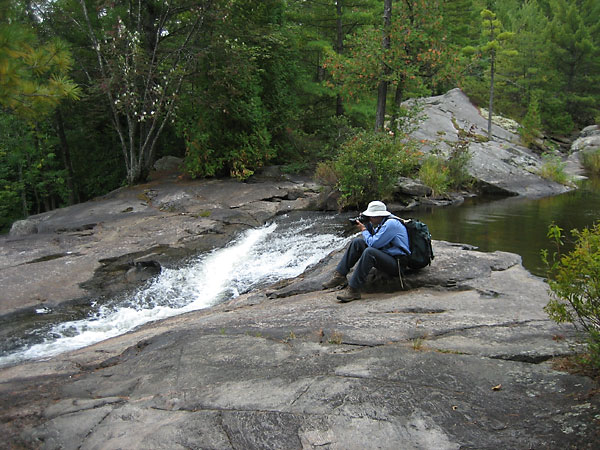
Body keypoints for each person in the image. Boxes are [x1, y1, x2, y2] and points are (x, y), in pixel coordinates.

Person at [323, 200, 411, 303]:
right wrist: (368, 225)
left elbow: (374, 244)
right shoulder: (383, 221)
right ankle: (340, 276)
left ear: (379, 216)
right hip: (388, 256)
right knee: (357, 242)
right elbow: (375, 239)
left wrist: (364, 230)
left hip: (397, 263)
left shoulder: (391, 223)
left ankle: (353, 290)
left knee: (370, 252)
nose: (369, 218)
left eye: (371, 216)